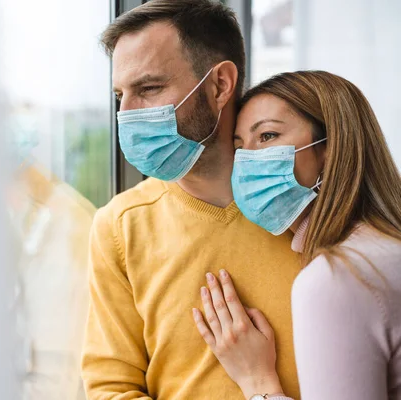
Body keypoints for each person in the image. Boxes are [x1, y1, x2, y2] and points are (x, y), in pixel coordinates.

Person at [81, 1, 303, 398]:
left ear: (219, 85)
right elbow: (110, 388)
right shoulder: (120, 226)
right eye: (120, 95)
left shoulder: (309, 204)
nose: (127, 114)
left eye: (148, 89)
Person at [193, 70, 401, 399]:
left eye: (266, 136)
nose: (247, 160)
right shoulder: (385, 248)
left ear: (330, 150)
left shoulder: (337, 279)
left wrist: (258, 382)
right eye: (239, 147)